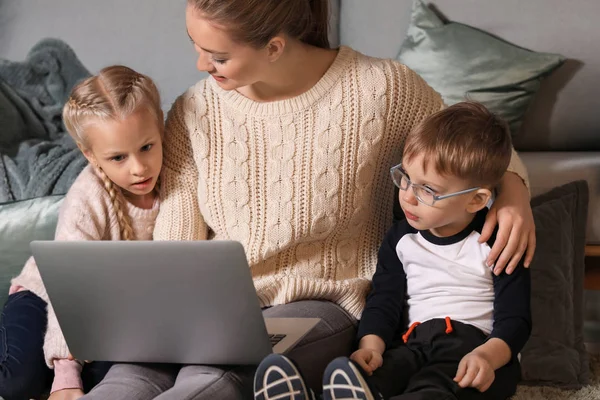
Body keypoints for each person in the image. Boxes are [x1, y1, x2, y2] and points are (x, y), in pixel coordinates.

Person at [83, 0, 535, 398]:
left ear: (274, 47)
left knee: (213, 373)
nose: (201, 64)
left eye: (218, 55)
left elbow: (473, 145)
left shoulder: (382, 89)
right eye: (195, 45)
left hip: (321, 306)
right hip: (218, 306)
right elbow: (177, 236)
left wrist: (512, 190)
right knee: (130, 374)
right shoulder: (192, 109)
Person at [253, 102, 532, 400]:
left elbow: (515, 318)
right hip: (413, 342)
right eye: (406, 178)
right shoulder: (401, 239)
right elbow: (384, 299)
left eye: (428, 190)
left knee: (434, 389)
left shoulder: (496, 240)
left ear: (475, 201)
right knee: (378, 376)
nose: (408, 196)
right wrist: (370, 346)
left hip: (475, 351)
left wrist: (487, 357)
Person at [0, 65, 163, 400]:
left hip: (109, 306)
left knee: (108, 375)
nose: (139, 168)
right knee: (16, 381)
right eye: (118, 157)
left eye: (147, 147)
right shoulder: (87, 198)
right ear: (90, 155)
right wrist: (65, 374)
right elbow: (71, 289)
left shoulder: (176, 180)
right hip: (49, 292)